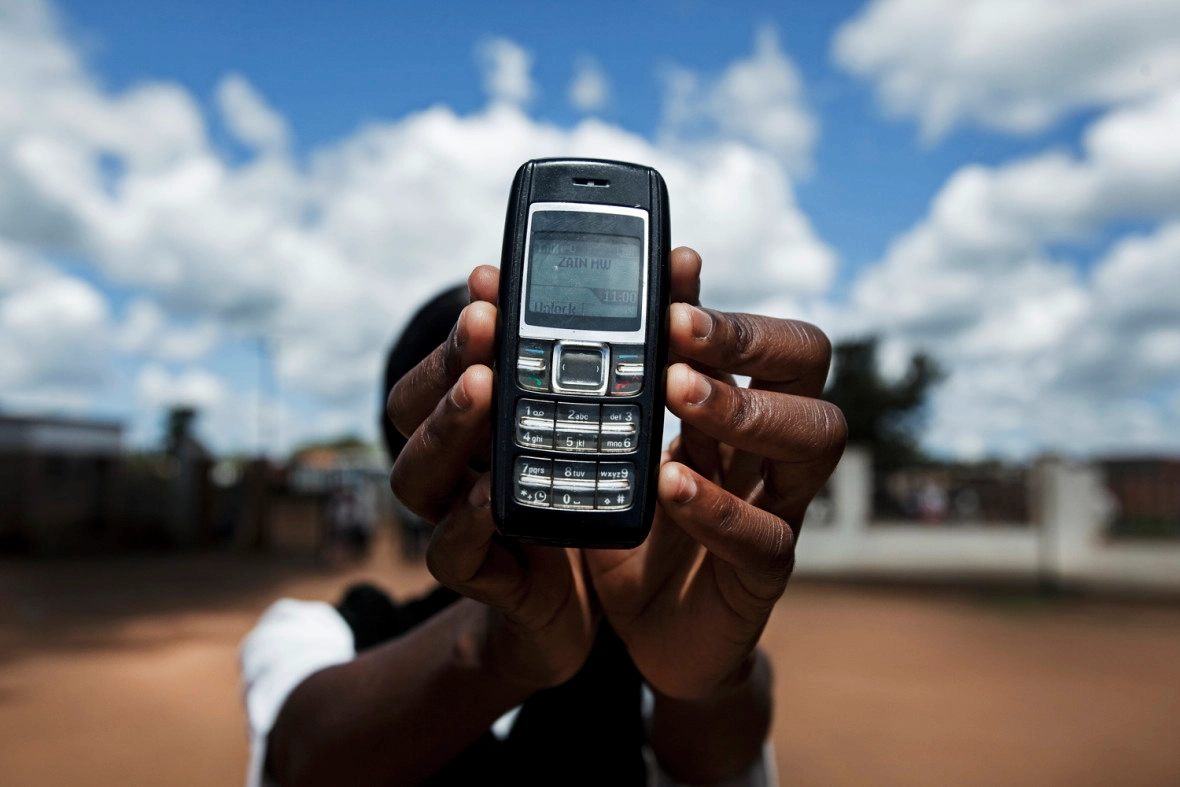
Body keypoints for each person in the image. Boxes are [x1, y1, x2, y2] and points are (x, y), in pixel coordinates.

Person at [239, 247, 847, 786]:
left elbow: (719, 757)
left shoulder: (643, 625)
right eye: (481, 394)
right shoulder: (326, 632)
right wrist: (498, 651)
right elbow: (300, 752)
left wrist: (701, 685)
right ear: (414, 444)